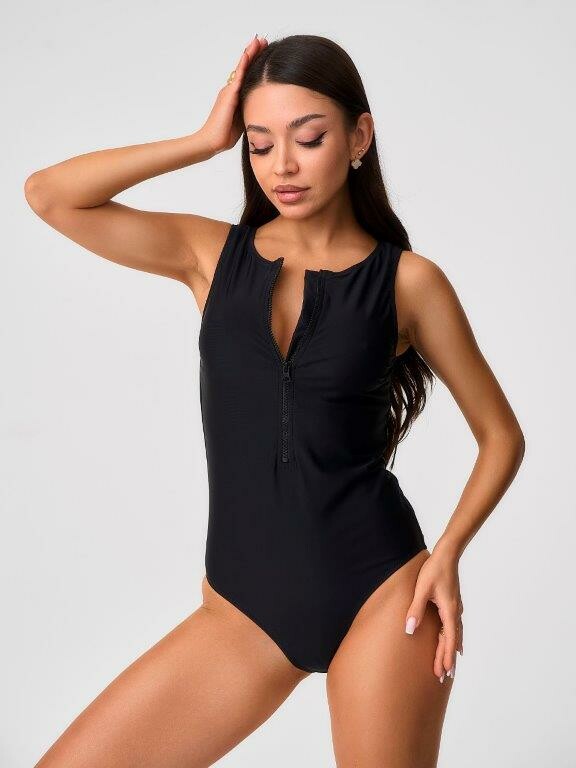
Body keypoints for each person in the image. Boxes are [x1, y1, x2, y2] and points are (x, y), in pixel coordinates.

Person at [25, 32, 525, 768]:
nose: (282, 166)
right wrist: (203, 140)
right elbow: (50, 195)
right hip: (241, 611)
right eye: (260, 144)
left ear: (358, 137)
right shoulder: (209, 256)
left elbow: (501, 435)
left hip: (386, 594)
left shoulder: (410, 283)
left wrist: (447, 554)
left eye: (308, 138)